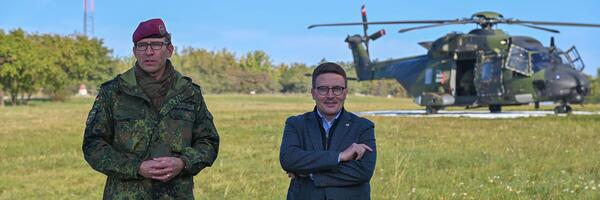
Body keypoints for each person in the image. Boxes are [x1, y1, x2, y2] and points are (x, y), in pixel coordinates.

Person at [82, 18, 219, 199]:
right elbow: (93, 145)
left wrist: (182, 163)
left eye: (156, 45)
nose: (148, 52)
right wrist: (135, 167)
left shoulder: (189, 93)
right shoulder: (113, 92)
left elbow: (208, 142)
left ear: (169, 50)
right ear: (134, 52)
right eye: (142, 45)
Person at [279, 62, 377, 200]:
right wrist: (340, 156)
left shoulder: (363, 127)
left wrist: (310, 173)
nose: (330, 95)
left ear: (345, 93)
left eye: (337, 89)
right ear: (313, 93)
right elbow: (289, 159)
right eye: (323, 89)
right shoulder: (295, 124)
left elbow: (363, 171)